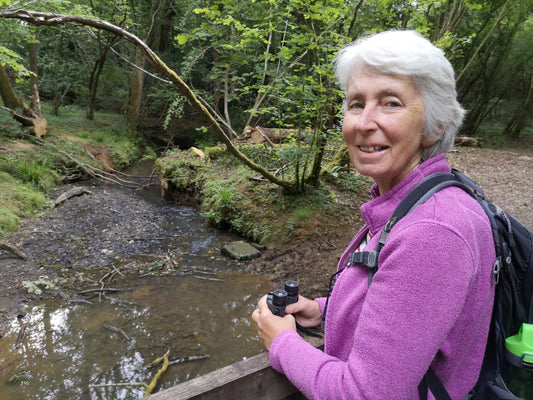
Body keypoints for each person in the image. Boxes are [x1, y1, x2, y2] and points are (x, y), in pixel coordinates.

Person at [251, 30, 496, 400]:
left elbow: (365, 394)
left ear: (436, 125)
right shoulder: (428, 199)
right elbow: (415, 313)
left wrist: (282, 343)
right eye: (355, 104)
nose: (363, 123)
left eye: (391, 103)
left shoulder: (431, 231)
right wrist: (323, 310)